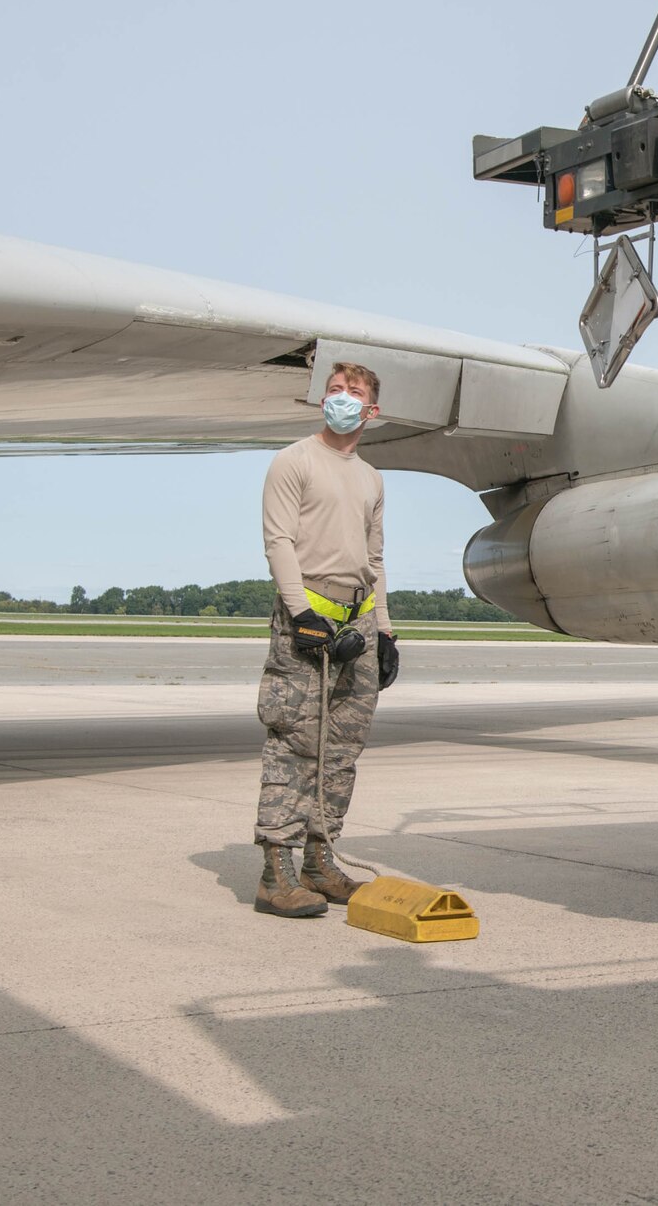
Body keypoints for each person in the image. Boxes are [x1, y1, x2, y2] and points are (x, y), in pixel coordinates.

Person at [252, 361, 400, 918]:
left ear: (371, 410)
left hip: (357, 619)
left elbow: (375, 557)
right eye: (334, 390)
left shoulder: (371, 478)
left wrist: (383, 629)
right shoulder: (294, 462)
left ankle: (320, 860)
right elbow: (279, 542)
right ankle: (276, 872)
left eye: (353, 392)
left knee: (341, 748)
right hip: (308, 615)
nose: (341, 398)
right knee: (293, 742)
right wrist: (300, 613)